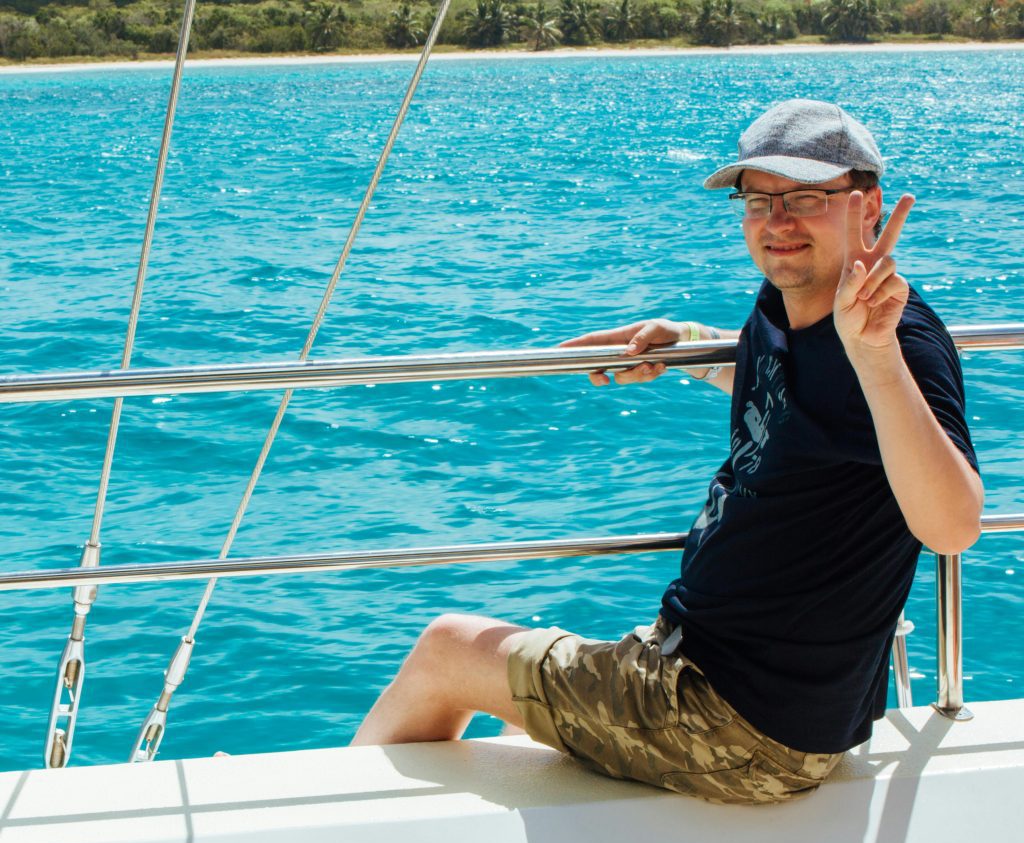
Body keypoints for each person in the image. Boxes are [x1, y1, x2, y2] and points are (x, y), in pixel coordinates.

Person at [351, 99, 983, 805]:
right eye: (758, 199)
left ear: (867, 209)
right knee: (511, 724)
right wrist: (682, 342)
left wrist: (875, 357)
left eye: (807, 198)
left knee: (446, 652)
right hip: (710, 669)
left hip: (739, 725)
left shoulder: (892, 343)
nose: (777, 222)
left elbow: (952, 525)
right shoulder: (791, 301)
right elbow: (793, 403)